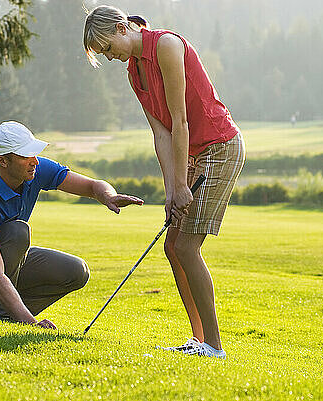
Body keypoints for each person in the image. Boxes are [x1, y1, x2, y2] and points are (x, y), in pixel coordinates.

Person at [83, 6, 245, 358]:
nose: (111, 57)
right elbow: (160, 132)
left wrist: (182, 184)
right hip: (189, 152)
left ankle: (214, 347)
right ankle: (198, 338)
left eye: (108, 47)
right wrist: (171, 190)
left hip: (218, 146)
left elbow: (180, 120)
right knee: (172, 246)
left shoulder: (167, 46)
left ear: (122, 27)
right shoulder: (134, 73)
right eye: (105, 54)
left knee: (187, 247)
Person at [0, 121, 143, 329]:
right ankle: (0, 315)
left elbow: (92, 186)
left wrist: (108, 196)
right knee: (17, 232)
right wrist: (32, 324)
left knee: (76, 271)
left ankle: (3, 313)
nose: (35, 161)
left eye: (34, 153)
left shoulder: (34, 170)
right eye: (25, 156)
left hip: (5, 257)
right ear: (2, 161)